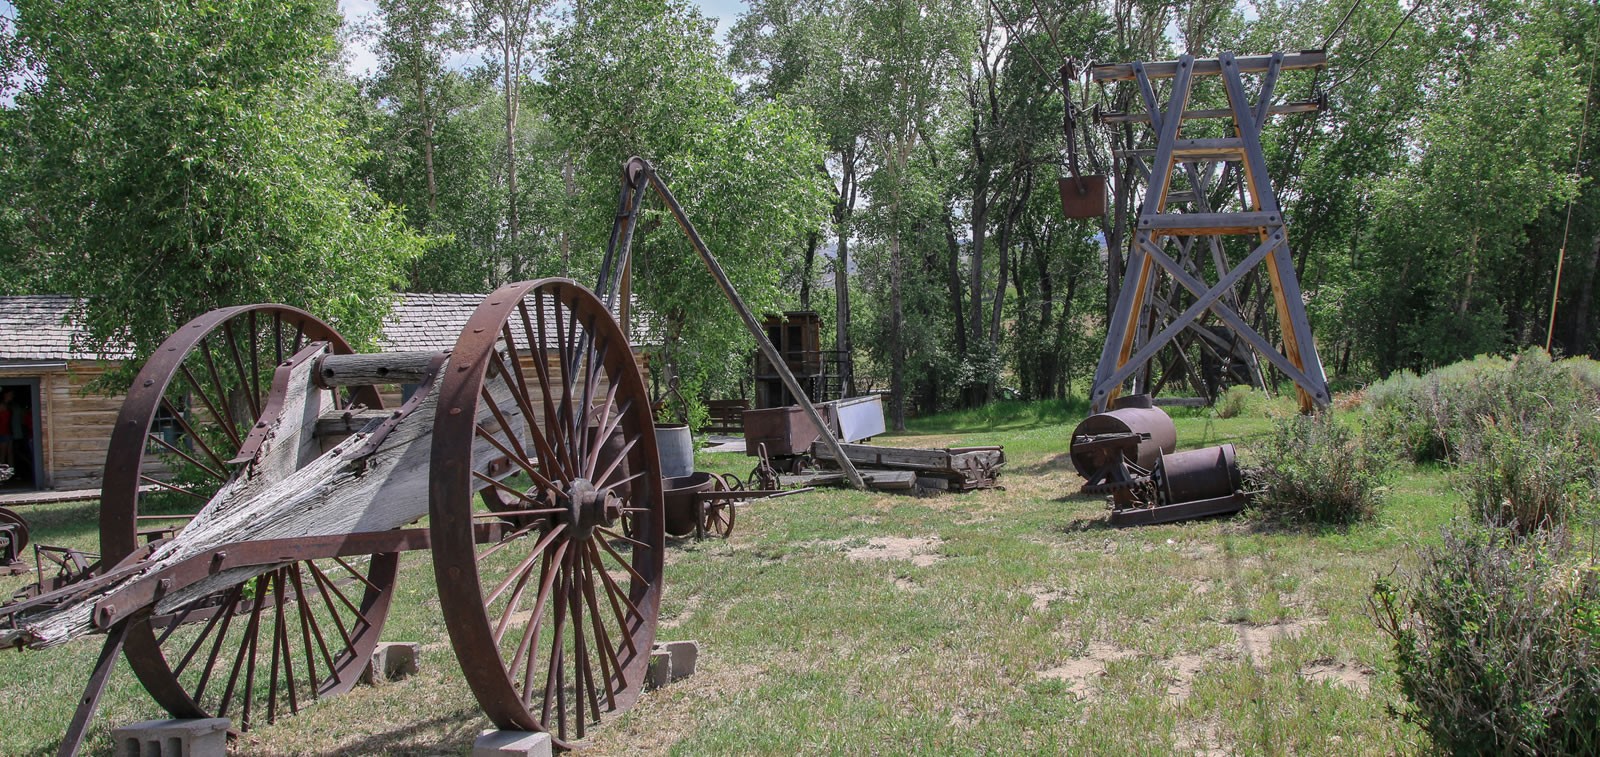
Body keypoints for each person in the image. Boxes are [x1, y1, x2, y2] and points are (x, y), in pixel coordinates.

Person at [0, 389, 12, 469]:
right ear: (5, 394)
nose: (12, 396)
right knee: (2, 455)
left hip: (7, 432)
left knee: (9, 454)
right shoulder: (1, 405)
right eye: (10, 394)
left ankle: (9, 475)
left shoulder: (7, 405)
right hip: (2, 432)